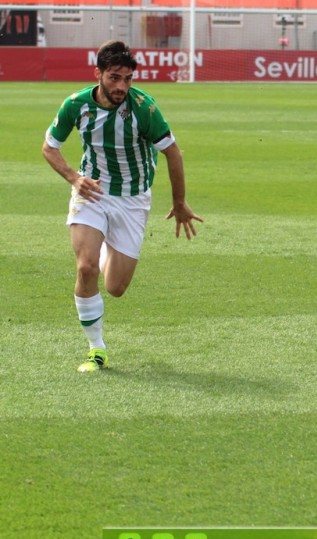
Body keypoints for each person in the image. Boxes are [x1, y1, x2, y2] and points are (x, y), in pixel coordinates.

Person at [42, 40, 203, 372]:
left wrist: (180, 203)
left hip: (132, 200)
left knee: (115, 287)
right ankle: (96, 349)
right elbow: (49, 148)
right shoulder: (76, 105)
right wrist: (74, 178)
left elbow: (173, 152)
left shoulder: (143, 108)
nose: (121, 86)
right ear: (98, 73)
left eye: (127, 79)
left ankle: (103, 247)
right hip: (93, 192)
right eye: (115, 78)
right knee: (85, 268)